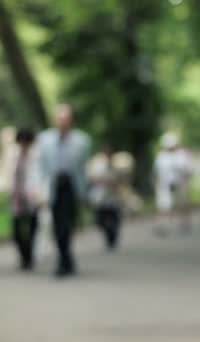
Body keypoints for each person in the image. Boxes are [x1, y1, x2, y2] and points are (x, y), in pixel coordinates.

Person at [37, 104, 90, 277]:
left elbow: (82, 169)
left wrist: (84, 193)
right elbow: (41, 168)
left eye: (65, 119)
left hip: (72, 186)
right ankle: (64, 260)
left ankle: (66, 258)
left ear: (71, 120)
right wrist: (41, 190)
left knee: (68, 224)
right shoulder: (44, 139)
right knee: (58, 224)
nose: (62, 122)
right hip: (54, 186)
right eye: (59, 119)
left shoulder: (82, 141)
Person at [9, 128, 42, 271]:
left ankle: (29, 255)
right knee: (16, 231)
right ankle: (24, 255)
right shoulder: (13, 155)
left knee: (33, 228)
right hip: (16, 197)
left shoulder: (37, 156)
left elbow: (39, 176)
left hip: (32, 197)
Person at [154, 133, 192, 236]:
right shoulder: (161, 156)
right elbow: (158, 172)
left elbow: (187, 171)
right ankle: (162, 225)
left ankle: (184, 222)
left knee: (182, 204)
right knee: (163, 205)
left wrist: (185, 184)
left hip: (179, 183)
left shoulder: (181, 155)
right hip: (165, 184)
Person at [87, 144, 122, 250]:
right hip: (100, 197)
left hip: (113, 198)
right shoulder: (97, 164)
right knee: (100, 221)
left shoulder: (117, 164)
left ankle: (112, 238)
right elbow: (92, 177)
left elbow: (120, 179)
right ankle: (108, 235)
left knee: (114, 220)